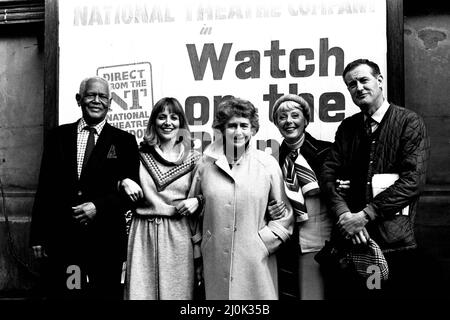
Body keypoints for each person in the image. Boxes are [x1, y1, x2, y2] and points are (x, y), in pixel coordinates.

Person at [320, 59, 429, 299]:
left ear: (379, 81)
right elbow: (328, 174)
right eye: (351, 84)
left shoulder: (408, 122)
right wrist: (344, 214)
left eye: (363, 80)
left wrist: (364, 215)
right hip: (355, 244)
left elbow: (413, 181)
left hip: (393, 243)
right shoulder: (348, 128)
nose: (358, 88)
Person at [30, 76, 140, 299]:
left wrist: (98, 206)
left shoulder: (125, 141)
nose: (96, 100)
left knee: (104, 296)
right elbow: (45, 188)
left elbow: (132, 195)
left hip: (106, 242)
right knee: (72, 293)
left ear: (110, 103)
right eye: (90, 95)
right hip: (66, 242)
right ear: (79, 99)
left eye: (102, 96)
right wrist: (38, 236)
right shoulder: (57, 137)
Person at [188, 97, 294, 300]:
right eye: (232, 126)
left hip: (255, 260)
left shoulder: (267, 164)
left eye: (244, 125)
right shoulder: (205, 166)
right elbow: (194, 213)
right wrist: (201, 249)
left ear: (253, 129)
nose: (238, 132)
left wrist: (263, 244)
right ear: (221, 129)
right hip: (215, 258)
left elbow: (285, 215)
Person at [119, 97, 202, 300]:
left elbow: (211, 194)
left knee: (178, 295)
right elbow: (109, 181)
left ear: (181, 123)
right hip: (143, 232)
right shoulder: (137, 155)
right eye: (161, 117)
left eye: (174, 118)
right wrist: (122, 181)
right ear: (153, 122)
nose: (167, 122)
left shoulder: (195, 158)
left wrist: (199, 200)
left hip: (178, 234)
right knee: (140, 294)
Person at [268, 94, 336, 300]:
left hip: (321, 241)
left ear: (305, 120)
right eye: (282, 117)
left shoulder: (328, 151)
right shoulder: (271, 161)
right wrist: (270, 209)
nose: (289, 121)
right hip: (287, 244)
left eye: (295, 115)